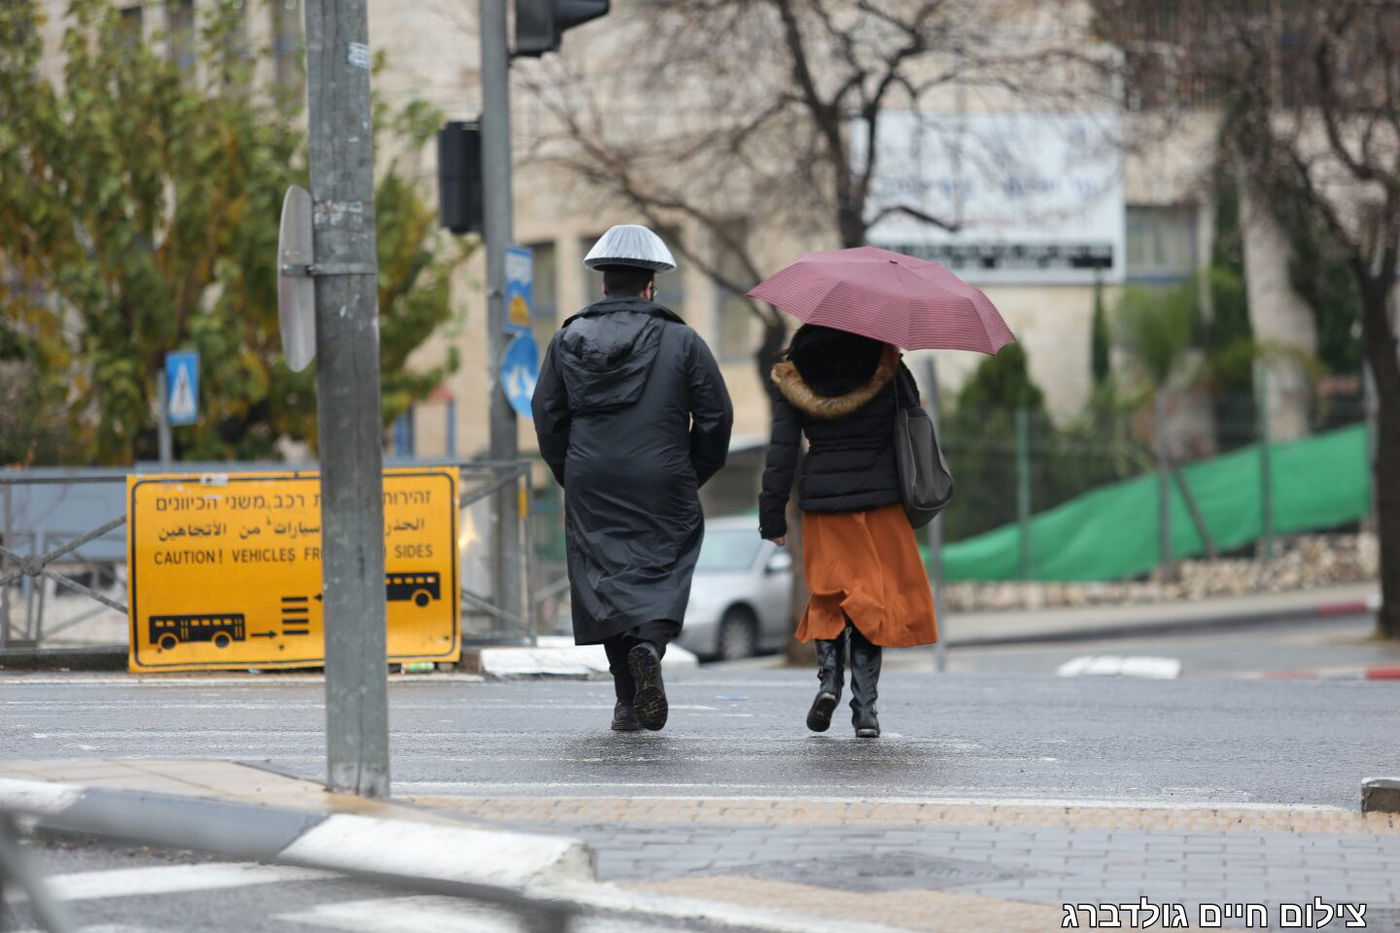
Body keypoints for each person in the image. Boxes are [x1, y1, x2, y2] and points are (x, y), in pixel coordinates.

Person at [533, 225, 733, 733]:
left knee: (603, 576)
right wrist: (691, 471)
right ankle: (651, 647)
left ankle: (627, 701)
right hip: (663, 473)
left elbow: (546, 414)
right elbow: (716, 416)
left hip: (591, 475)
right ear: (650, 286)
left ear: (603, 285)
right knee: (665, 565)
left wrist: (570, 472)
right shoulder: (682, 340)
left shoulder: (566, 340)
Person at [759, 323, 938, 738]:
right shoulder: (887, 363)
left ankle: (828, 683)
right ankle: (866, 710)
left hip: (824, 504)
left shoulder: (794, 370)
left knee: (829, 595)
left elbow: (782, 448)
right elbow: (913, 421)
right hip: (880, 502)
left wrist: (772, 514)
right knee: (870, 602)